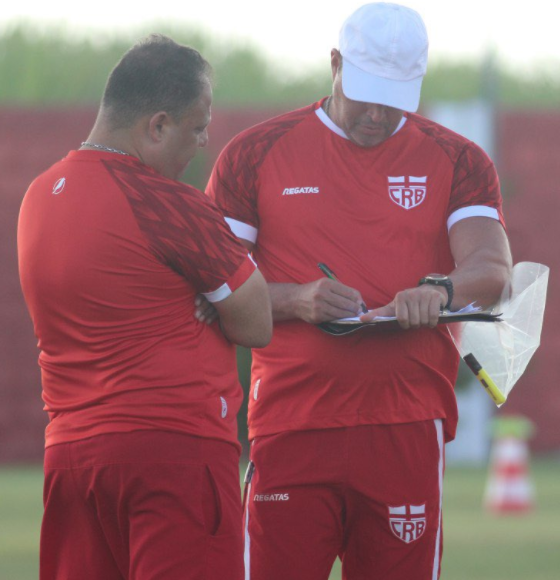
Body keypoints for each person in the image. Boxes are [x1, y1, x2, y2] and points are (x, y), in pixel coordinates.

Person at [206, 3, 512, 578]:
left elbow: (492, 267)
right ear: (335, 65)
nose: (377, 114)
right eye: (366, 93)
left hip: (406, 426)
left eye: (394, 99)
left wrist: (441, 292)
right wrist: (299, 299)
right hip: (291, 425)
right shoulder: (254, 154)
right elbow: (209, 287)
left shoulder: (459, 158)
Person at [17, 34, 272, 580]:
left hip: (70, 457)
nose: (204, 142)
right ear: (157, 125)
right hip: (172, 453)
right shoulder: (167, 202)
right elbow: (256, 321)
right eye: (198, 126)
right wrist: (206, 297)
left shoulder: (37, 195)